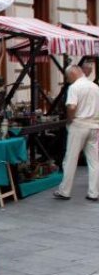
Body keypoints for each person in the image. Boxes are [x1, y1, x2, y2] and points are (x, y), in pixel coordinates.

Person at [53, 65, 99, 201]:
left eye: (67, 77)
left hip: (78, 125)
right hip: (94, 125)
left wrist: (69, 120)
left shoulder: (74, 87)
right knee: (94, 161)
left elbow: (72, 106)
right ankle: (94, 192)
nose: (67, 80)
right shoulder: (95, 87)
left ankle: (65, 191)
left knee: (70, 159)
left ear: (73, 74)